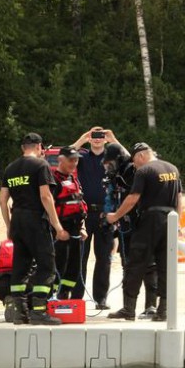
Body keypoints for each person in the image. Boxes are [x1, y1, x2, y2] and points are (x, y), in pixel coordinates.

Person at [106, 143, 182, 321]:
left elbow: (133, 198)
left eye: (135, 162)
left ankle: (129, 308)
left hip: (150, 220)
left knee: (136, 263)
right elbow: (179, 198)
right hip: (170, 218)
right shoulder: (173, 168)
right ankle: (163, 310)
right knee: (165, 265)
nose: (135, 166)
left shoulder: (144, 171)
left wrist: (115, 216)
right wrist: (176, 222)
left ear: (141, 156)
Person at [0, 133, 68, 325]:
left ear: (23, 148)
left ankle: (20, 313)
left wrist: (9, 225)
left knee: (20, 267)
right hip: (35, 220)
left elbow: (3, 200)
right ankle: (39, 312)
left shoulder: (10, 168)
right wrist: (57, 226)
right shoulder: (41, 165)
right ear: (39, 147)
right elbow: (46, 197)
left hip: (17, 221)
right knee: (47, 266)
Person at [71, 127, 121, 309]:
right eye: (94, 136)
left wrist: (113, 138)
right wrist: (82, 139)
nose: (98, 139)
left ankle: (101, 299)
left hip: (105, 213)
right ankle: (76, 297)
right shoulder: (82, 157)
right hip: (83, 213)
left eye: (101, 137)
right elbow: (62, 156)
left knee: (104, 258)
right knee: (80, 257)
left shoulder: (112, 156)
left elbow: (134, 159)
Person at [51, 146, 88, 300]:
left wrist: (83, 227)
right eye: (71, 160)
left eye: (76, 160)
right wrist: (58, 230)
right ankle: (51, 295)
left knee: (73, 266)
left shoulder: (73, 178)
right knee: (59, 263)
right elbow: (49, 206)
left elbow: (80, 203)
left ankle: (65, 294)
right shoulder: (52, 179)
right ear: (60, 160)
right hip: (60, 229)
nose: (74, 163)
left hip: (75, 229)